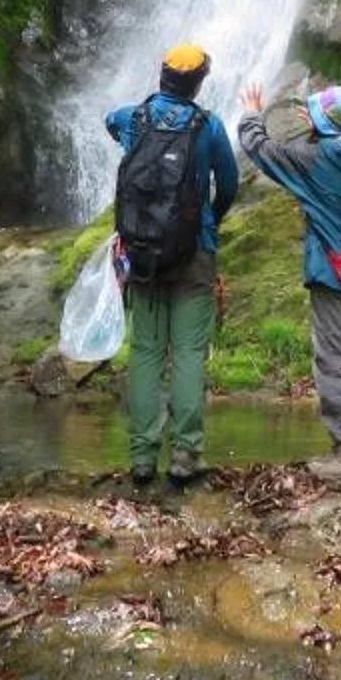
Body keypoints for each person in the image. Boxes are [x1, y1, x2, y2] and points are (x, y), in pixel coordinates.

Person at [104, 44, 244, 491]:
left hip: (141, 248)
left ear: (161, 77)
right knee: (186, 354)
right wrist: (209, 220)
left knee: (145, 351)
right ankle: (186, 455)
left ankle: (142, 456)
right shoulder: (209, 126)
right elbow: (230, 182)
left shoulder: (133, 118)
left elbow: (111, 121)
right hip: (193, 250)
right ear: (199, 84)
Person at [238, 81, 341, 481]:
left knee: (333, 361)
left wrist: (252, 112)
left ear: (324, 123)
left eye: (312, 112)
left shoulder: (316, 157)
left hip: (333, 272)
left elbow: (262, 150)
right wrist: (320, 117)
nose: (306, 116)